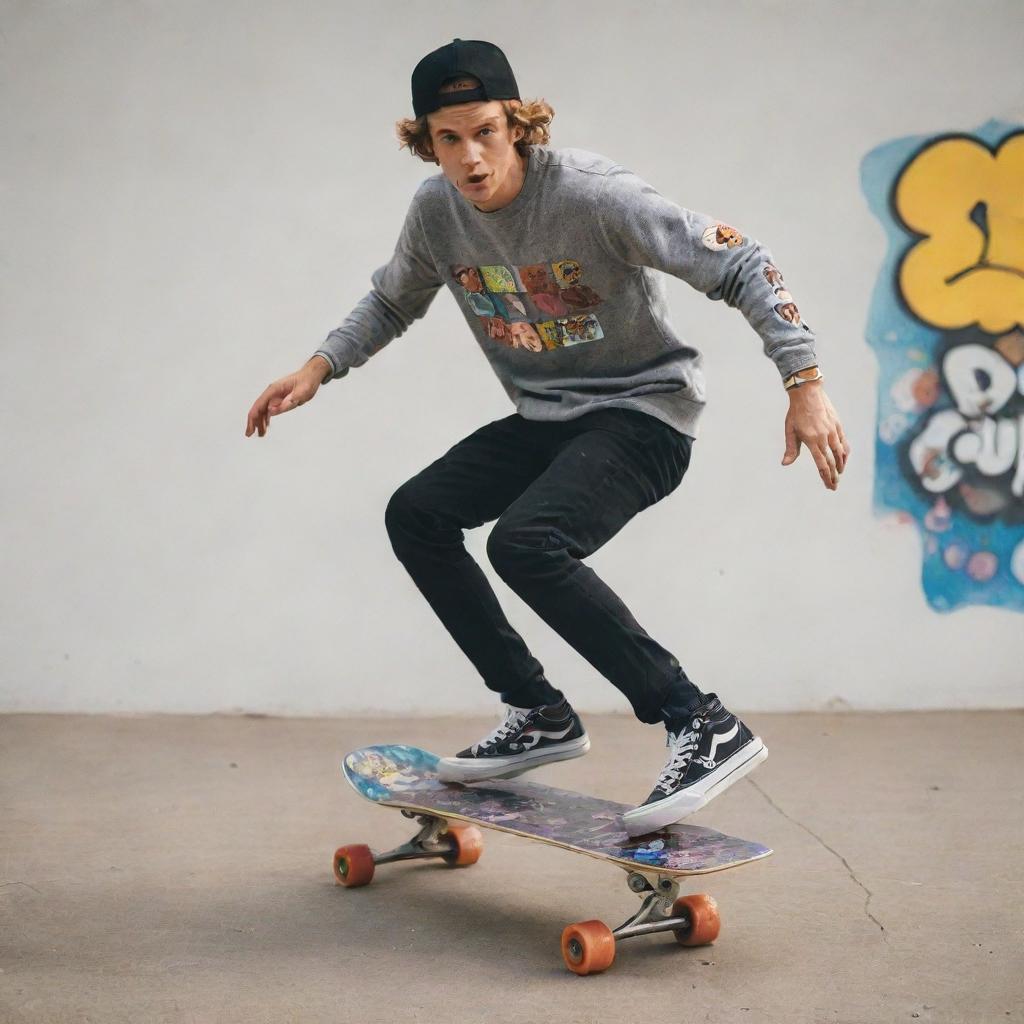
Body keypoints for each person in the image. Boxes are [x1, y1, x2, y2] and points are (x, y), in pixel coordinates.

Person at [245, 38, 849, 836]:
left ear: (519, 126)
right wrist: (320, 366)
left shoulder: (595, 197)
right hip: (548, 418)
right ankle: (538, 711)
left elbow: (742, 260)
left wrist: (803, 382)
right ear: (426, 142)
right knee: (416, 514)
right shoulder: (436, 212)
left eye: (486, 131)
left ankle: (700, 721)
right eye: (448, 140)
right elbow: (393, 300)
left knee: (526, 543)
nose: (470, 159)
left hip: (645, 414)